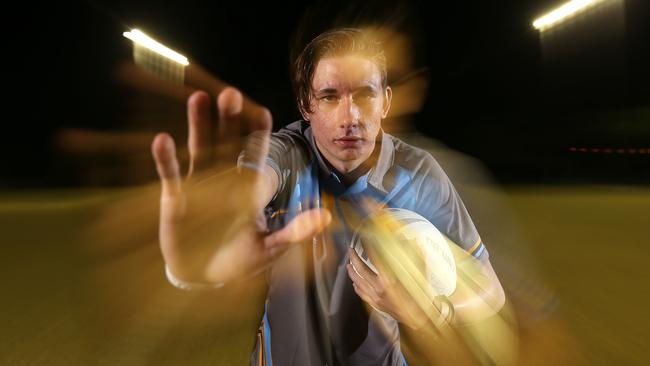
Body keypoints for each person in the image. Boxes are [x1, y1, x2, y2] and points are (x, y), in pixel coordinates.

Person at [151, 28, 506, 366]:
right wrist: (218, 225)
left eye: (365, 94)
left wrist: (432, 310)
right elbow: (254, 184)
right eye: (330, 96)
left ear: (386, 100)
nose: (349, 117)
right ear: (306, 104)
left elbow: (490, 290)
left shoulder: (419, 174)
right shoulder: (285, 154)